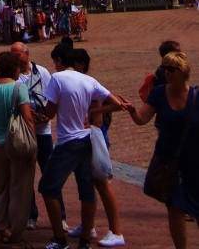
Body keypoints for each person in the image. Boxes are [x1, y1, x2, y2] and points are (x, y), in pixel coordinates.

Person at [37, 43, 130, 249]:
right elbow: (116, 104)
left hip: (68, 140)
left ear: (60, 61)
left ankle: (59, 239)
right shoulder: (89, 80)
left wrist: (41, 114)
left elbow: (50, 113)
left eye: (55, 61)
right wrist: (92, 113)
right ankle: (85, 240)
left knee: (47, 187)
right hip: (86, 139)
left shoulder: (57, 78)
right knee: (87, 191)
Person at [128, 51, 199, 249]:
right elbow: (142, 119)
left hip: (194, 162)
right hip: (168, 161)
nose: (165, 72)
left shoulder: (196, 96)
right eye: (164, 68)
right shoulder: (159, 93)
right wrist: (132, 111)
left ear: (182, 72)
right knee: (175, 208)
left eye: (170, 69)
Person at [69, 48, 126, 247]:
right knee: (87, 185)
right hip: (86, 137)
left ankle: (116, 231)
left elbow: (112, 107)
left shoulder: (89, 84)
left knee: (101, 184)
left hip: (94, 138)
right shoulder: (77, 83)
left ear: (81, 65)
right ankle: (88, 226)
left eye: (74, 63)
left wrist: (93, 113)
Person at [0, 50, 36, 248]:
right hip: (17, 142)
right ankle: (15, 231)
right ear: (15, 68)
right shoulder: (18, 88)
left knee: (1, 188)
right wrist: (33, 145)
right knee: (20, 189)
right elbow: (28, 118)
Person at [10, 41, 62, 232]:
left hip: (43, 131)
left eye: (17, 55)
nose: (15, 58)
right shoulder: (13, 77)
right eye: (12, 55)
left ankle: (60, 216)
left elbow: (51, 97)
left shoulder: (42, 72)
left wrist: (46, 116)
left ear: (27, 54)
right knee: (26, 175)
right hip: (25, 132)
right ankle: (31, 215)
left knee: (51, 173)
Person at [139, 39, 181, 105]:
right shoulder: (165, 73)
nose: (182, 55)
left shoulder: (169, 69)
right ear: (169, 56)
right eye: (178, 53)